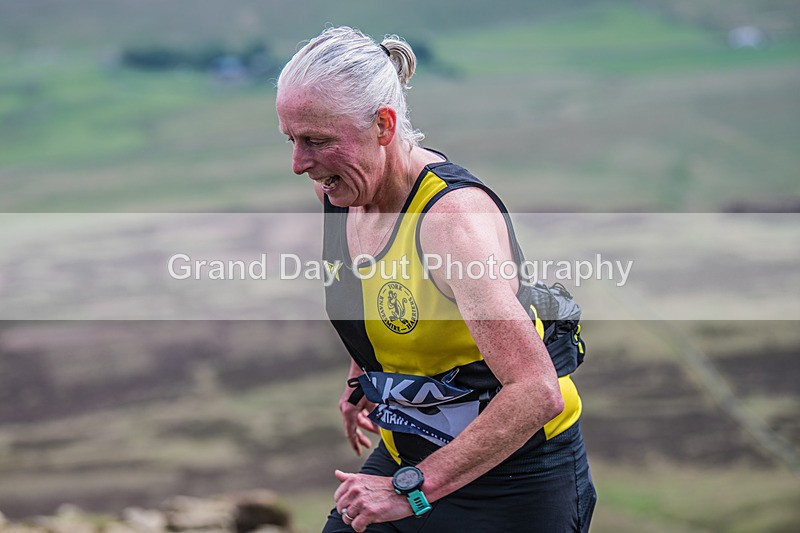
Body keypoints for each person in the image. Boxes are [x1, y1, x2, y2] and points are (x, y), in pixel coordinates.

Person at [276, 26, 596, 533]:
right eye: (291, 140)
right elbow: (378, 300)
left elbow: (536, 390)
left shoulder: (451, 223)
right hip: (414, 450)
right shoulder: (340, 195)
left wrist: (410, 491)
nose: (298, 164)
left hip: (515, 479)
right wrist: (363, 377)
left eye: (317, 141)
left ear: (383, 125)